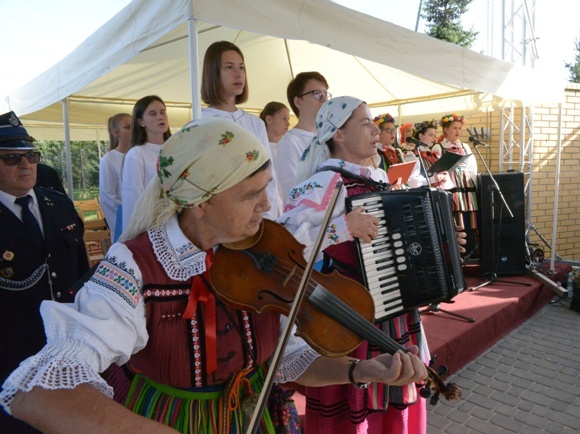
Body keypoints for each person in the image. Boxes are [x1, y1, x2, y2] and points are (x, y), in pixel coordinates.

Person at [0, 117, 427, 434]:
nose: (266, 206)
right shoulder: (134, 266)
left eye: (266, 188)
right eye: (251, 194)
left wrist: (362, 371)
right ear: (199, 201)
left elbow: (281, 360)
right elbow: (39, 389)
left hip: (259, 418)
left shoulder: (264, 251)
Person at [279, 97, 431, 433]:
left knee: (397, 395)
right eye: (365, 123)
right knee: (357, 406)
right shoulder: (323, 183)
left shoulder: (377, 178)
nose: (376, 130)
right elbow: (283, 248)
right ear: (339, 135)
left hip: (394, 312)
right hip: (349, 320)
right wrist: (341, 228)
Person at [0, 111, 89, 433]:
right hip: (14, 349)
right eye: (12, 158)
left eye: (31, 156)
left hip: (67, 342)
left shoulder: (58, 204)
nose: (25, 165)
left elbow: (81, 271)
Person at [201, 40, 283, 217]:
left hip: (259, 217)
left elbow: (269, 175)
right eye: (229, 67)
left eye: (242, 67)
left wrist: (270, 218)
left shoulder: (255, 123)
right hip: (222, 218)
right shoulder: (201, 122)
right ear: (213, 73)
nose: (238, 74)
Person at [275, 71, 330, 202]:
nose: (324, 99)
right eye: (316, 93)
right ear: (298, 101)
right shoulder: (289, 143)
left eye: (325, 93)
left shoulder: (330, 137)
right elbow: (293, 194)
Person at [121, 96, 170, 233]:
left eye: (162, 112)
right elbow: (134, 198)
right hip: (151, 227)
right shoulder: (136, 154)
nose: (160, 117)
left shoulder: (176, 149)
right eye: (153, 114)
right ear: (141, 122)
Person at [432, 113, 479, 254]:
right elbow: (436, 170)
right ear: (446, 129)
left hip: (466, 190)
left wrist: (476, 189)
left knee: (469, 222)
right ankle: (455, 256)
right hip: (450, 189)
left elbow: (472, 170)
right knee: (455, 221)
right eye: (454, 128)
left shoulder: (464, 146)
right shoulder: (438, 147)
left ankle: (470, 252)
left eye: (460, 128)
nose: (458, 131)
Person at [99, 112, 131, 241]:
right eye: (128, 127)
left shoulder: (138, 156)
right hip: (126, 224)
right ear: (116, 133)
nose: (134, 130)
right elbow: (108, 198)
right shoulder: (109, 160)